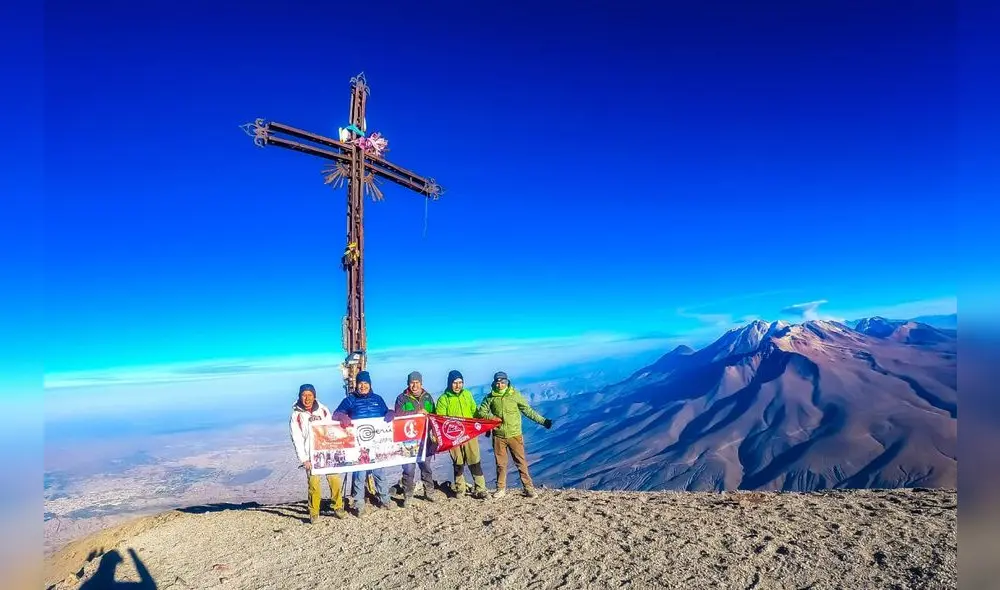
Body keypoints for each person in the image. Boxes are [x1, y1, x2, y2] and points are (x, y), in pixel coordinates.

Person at [476, 371, 553, 498]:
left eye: (502, 382)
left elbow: (527, 410)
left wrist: (543, 421)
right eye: (498, 382)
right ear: (494, 383)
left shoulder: (515, 395)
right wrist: (492, 417)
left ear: (507, 382)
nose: (500, 385)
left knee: (520, 462)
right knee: (500, 464)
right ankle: (500, 489)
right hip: (498, 435)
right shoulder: (490, 397)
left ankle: (528, 488)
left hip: (515, 434)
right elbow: (481, 412)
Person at [332, 370, 397, 516]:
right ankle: (359, 504)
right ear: (356, 385)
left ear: (370, 384)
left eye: (365, 383)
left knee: (379, 472)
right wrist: (342, 416)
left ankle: (385, 499)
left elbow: (386, 411)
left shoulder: (377, 399)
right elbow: (336, 414)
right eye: (360, 383)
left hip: (376, 444)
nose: (363, 386)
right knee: (359, 474)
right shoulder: (350, 400)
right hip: (358, 445)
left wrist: (390, 413)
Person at [289, 384, 347, 523]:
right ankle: (314, 512)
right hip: (310, 456)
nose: (307, 398)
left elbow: (331, 429)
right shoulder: (296, 415)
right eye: (304, 395)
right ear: (300, 396)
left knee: (334, 480)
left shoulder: (323, 410)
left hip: (326, 452)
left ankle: (338, 506)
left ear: (314, 396)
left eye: (310, 395)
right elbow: (296, 438)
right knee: (314, 484)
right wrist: (304, 459)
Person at [435, 370, 489, 499]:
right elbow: (440, 418)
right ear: (450, 383)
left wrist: (486, 424)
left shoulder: (467, 395)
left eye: (460, 382)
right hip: (453, 437)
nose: (458, 386)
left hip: (470, 434)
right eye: (455, 383)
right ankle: (460, 489)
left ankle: (480, 488)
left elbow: (474, 412)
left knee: (474, 461)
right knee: (458, 462)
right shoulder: (444, 399)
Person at [394, 371, 440, 506]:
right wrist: (417, 413)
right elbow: (398, 414)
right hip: (408, 441)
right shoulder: (402, 398)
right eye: (412, 382)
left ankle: (429, 492)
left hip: (426, 439)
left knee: (426, 466)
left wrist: (435, 434)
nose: (414, 385)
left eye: (417, 382)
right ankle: (408, 495)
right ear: (408, 384)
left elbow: (434, 415)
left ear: (421, 383)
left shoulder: (427, 397)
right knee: (409, 469)